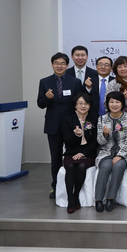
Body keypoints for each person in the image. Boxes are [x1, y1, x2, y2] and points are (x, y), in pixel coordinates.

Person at [37, 52, 84, 198]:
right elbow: (40, 104)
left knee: (74, 155)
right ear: (52, 65)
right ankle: (56, 187)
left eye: (62, 63)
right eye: (56, 63)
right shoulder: (44, 82)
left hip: (71, 125)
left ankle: (74, 185)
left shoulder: (75, 82)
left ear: (67, 65)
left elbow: (80, 103)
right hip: (53, 125)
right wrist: (47, 98)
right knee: (55, 157)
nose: (59, 66)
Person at [95, 91, 127, 212]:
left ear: (122, 104)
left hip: (124, 153)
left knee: (118, 166)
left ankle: (110, 198)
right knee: (105, 167)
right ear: (107, 104)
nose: (114, 104)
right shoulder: (102, 119)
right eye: (111, 102)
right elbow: (100, 142)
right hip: (106, 152)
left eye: (117, 102)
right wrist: (105, 135)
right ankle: (98, 199)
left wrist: (120, 155)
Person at [61, 93, 98, 213]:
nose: (83, 106)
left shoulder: (94, 119)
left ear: (90, 105)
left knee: (82, 166)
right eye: (80, 103)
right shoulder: (68, 120)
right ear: (75, 105)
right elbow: (67, 140)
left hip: (88, 153)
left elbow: (95, 141)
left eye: (86, 104)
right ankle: (70, 199)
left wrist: (83, 153)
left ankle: (75, 195)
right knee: (71, 167)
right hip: (71, 152)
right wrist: (76, 135)